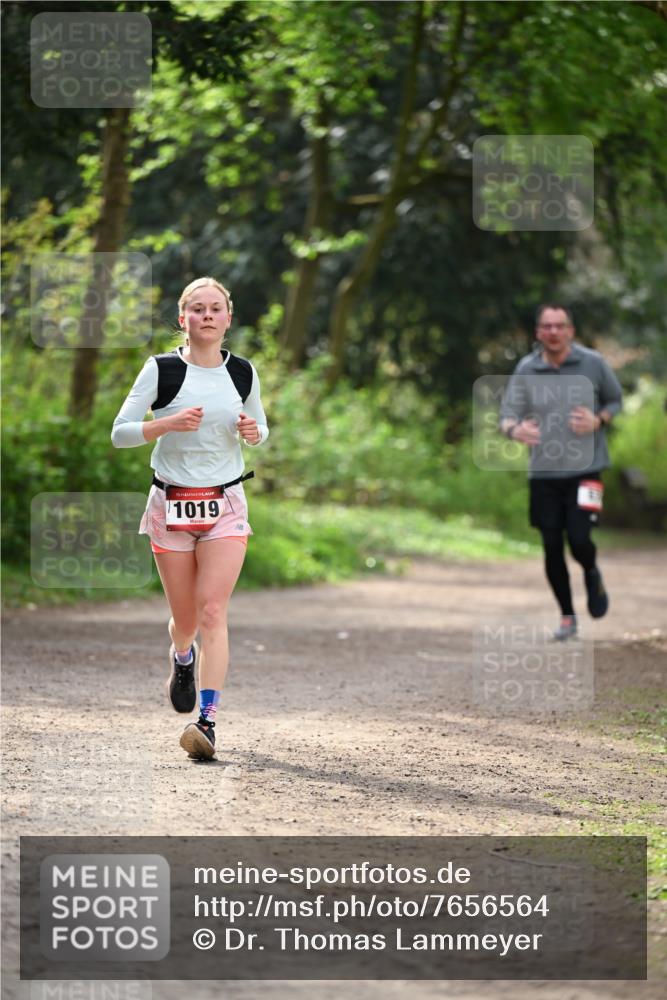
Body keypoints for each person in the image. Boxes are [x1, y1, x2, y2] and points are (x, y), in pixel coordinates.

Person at [111, 277, 268, 759]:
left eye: (214, 308)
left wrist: (253, 431)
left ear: (227, 318)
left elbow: (260, 425)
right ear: (183, 318)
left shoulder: (242, 372)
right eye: (196, 308)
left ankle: (208, 720)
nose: (205, 315)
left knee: (212, 612)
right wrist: (167, 423)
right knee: (185, 621)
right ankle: (183, 656)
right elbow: (120, 433)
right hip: (171, 502)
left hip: (225, 503)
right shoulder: (160, 369)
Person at [500, 304, 622, 640]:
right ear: (538, 332)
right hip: (544, 475)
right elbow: (507, 415)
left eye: (560, 326)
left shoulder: (593, 363)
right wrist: (515, 430)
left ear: (570, 330)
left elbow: (615, 401)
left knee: (580, 540)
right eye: (547, 326)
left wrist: (598, 420)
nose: (553, 332)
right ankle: (567, 616)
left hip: (588, 471)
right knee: (552, 545)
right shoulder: (526, 369)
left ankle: (591, 571)